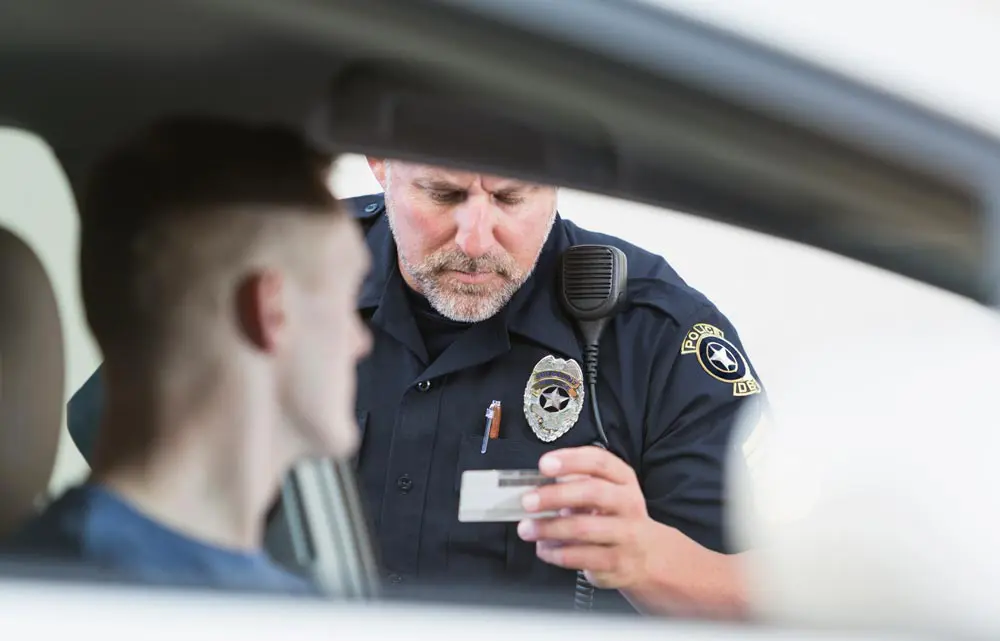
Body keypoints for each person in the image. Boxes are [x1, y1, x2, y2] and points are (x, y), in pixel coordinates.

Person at [66, 158, 762, 615]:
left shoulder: (655, 331)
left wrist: (642, 553)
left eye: (512, 196)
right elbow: (119, 442)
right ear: (381, 161)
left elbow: (766, 592)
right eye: (444, 193)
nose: (477, 236)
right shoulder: (284, 273)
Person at [6, 117, 372, 594]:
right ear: (271, 311)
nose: (359, 340)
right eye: (344, 300)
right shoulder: (93, 606)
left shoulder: (49, 581)